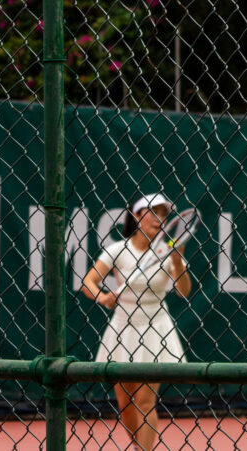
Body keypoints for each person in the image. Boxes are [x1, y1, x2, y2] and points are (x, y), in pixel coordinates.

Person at [81, 193, 191, 451]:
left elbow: (183, 290)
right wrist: (103, 297)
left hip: (156, 328)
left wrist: (176, 261)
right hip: (123, 329)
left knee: (144, 402)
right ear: (137, 216)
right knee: (126, 405)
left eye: (164, 214)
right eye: (154, 212)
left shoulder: (167, 251)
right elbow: (89, 282)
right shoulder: (117, 250)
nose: (160, 219)